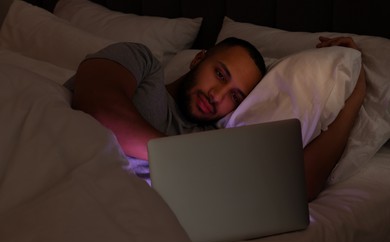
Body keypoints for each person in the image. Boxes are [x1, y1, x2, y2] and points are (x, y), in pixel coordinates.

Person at [66, 36, 366, 201]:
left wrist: (357, 83)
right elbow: (96, 101)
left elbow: (301, 185)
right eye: (220, 74)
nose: (217, 95)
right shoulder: (142, 61)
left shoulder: (215, 139)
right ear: (199, 58)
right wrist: (185, 160)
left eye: (235, 96)